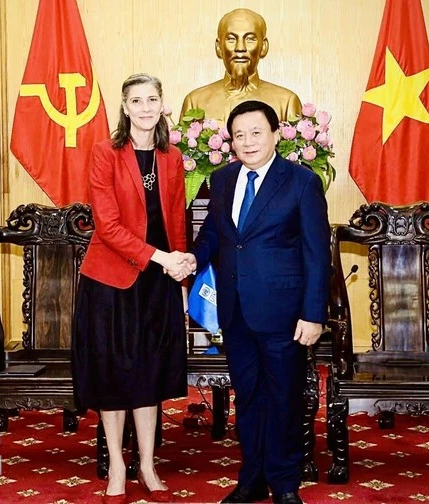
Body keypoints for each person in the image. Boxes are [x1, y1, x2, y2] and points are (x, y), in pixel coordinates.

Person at [183, 100, 331, 504]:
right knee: (247, 397)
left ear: (275, 135)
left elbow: (318, 253)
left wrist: (313, 314)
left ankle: (285, 485)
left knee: (283, 398)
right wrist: (193, 258)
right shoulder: (224, 178)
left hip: (284, 313)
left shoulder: (300, 182)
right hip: (234, 312)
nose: (247, 142)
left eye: (256, 133)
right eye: (239, 135)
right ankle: (251, 480)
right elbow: (214, 235)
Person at [72, 73, 193, 504]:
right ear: (125, 108)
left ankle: (147, 464)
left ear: (163, 105)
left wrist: (181, 270)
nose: (145, 107)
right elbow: (107, 226)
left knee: (150, 372)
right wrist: (160, 258)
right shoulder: (106, 153)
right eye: (136, 100)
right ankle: (117, 467)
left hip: (158, 283)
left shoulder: (172, 156)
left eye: (152, 99)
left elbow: (176, 218)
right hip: (111, 280)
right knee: (113, 374)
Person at [180, 8, 302, 124]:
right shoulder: (195, 102)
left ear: (263, 46)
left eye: (250, 39)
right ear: (219, 47)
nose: (240, 48)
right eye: (231, 39)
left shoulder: (286, 102)